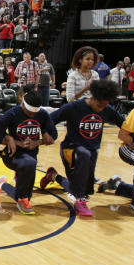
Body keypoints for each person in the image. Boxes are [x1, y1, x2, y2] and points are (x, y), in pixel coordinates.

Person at [42, 80, 124, 217]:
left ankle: (53, 176)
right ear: (92, 97)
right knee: (83, 156)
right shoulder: (73, 107)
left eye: (104, 106)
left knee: (83, 189)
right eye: (99, 105)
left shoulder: (106, 109)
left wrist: (133, 139)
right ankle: (79, 201)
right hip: (71, 149)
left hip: (91, 152)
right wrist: (46, 133)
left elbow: (125, 123)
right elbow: (48, 120)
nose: (100, 109)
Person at [0, 87, 57, 215]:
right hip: (12, 155)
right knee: (28, 170)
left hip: (31, 157)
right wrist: (11, 139)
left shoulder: (42, 114)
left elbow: (54, 136)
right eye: (29, 112)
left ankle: (2, 185)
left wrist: (39, 141)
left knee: (25, 194)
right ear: (23, 102)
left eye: (34, 114)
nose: (32, 115)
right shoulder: (12, 113)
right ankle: (21, 199)